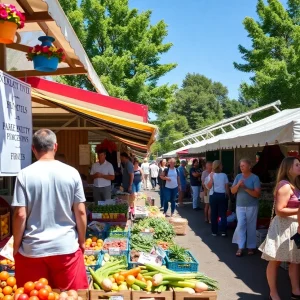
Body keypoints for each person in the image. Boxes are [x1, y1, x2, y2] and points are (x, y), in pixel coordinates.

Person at [12, 129, 88, 289]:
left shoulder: (24, 175)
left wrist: (16, 246)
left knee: (35, 295)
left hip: (33, 250)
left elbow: (20, 215)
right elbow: (80, 211)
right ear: (56, 147)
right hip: (66, 248)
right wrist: (81, 240)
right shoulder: (72, 173)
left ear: (33, 149)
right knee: (70, 296)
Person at [259, 157, 300, 300]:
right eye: (297, 165)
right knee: (275, 260)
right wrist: (298, 211)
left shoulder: (294, 184)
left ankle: (296, 291)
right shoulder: (285, 186)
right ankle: (273, 293)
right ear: (288, 167)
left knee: (295, 260)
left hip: (294, 227)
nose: (299, 167)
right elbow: (279, 210)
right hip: (283, 227)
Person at [231, 159, 261, 257]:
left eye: (243, 165)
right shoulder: (238, 177)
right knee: (241, 225)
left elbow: (257, 194)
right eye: (240, 166)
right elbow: (232, 191)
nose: (241, 167)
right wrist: (238, 185)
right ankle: (240, 246)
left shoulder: (255, 178)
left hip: (252, 205)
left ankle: (251, 246)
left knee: (251, 226)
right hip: (240, 205)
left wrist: (245, 188)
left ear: (249, 166)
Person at [205, 160, 230, 237]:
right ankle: (223, 231)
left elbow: (208, 187)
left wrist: (212, 179)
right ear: (219, 166)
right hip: (222, 196)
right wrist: (228, 196)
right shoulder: (224, 175)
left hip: (213, 196)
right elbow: (226, 187)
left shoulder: (210, 175)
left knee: (214, 214)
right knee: (223, 214)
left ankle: (214, 231)